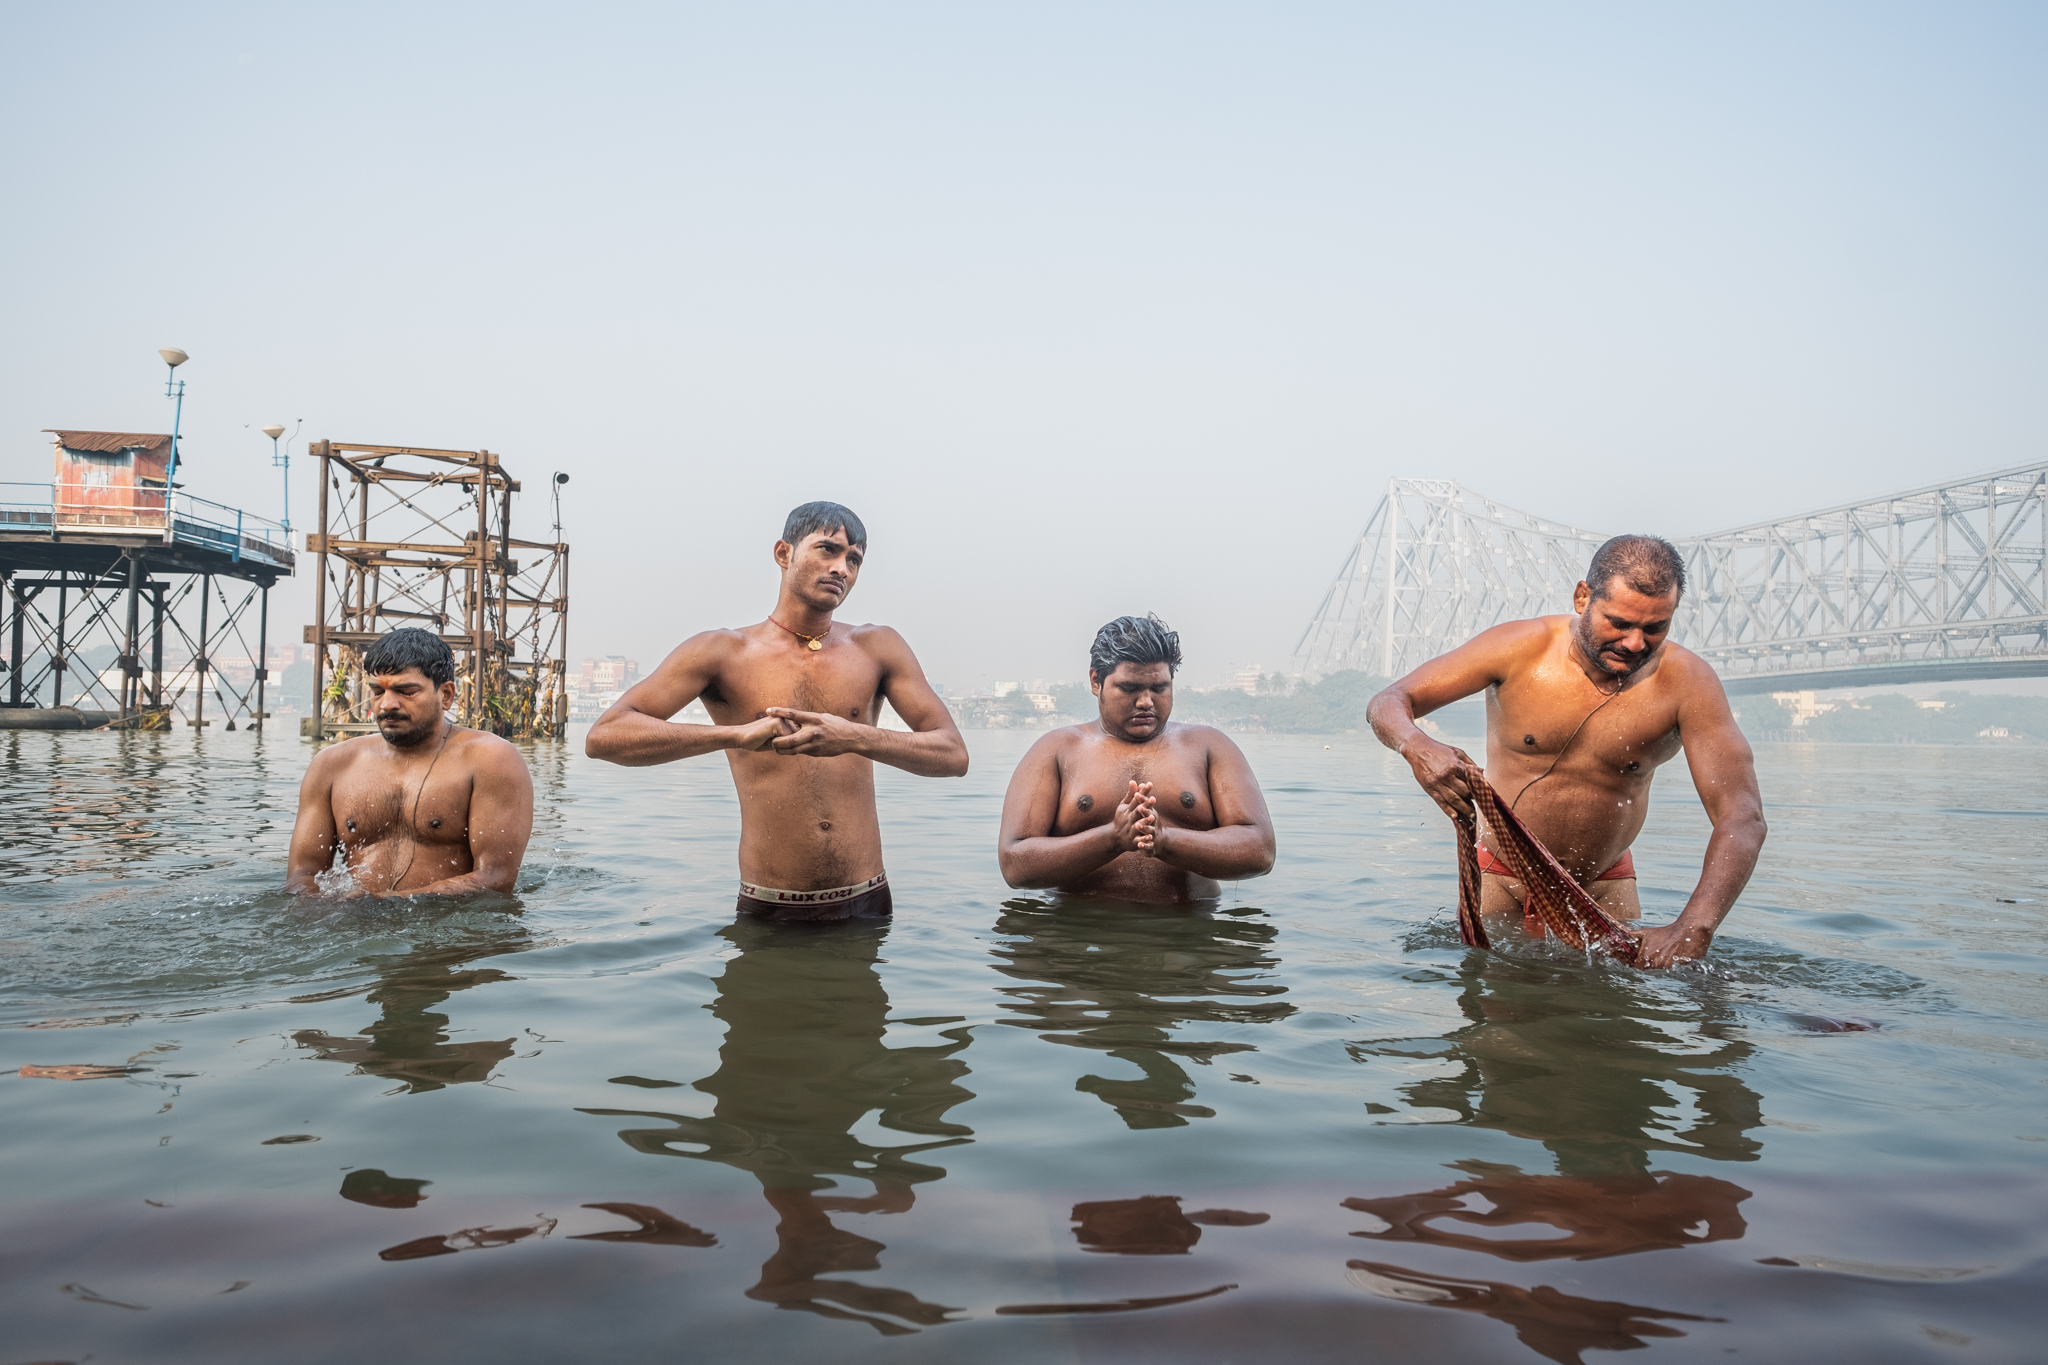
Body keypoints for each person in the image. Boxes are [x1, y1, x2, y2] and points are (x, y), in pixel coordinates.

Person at [1367, 535, 1765, 966]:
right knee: (1499, 1022)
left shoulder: (1688, 683)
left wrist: (1694, 925)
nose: (1635, 643)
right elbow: (1388, 702)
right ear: (1582, 597)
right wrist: (1418, 746)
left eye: (1655, 628)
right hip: (1500, 878)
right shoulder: (1520, 648)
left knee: (1606, 1025)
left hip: (1603, 887)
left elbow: (1742, 816)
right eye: (1619, 622)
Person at [585, 501, 967, 921]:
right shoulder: (723, 651)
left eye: (854, 559)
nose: (842, 568)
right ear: (784, 554)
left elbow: (952, 755)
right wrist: (733, 736)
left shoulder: (877, 646)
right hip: (771, 906)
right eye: (828, 549)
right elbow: (605, 737)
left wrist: (855, 736)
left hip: (868, 902)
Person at [997, 615, 1275, 903]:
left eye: (1159, 688)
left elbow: (1261, 852)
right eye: (1129, 688)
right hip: (1078, 937)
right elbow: (1014, 865)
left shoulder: (1209, 746)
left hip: (1188, 936)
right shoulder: (1055, 750)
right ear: (1096, 681)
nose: (1145, 701)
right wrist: (1111, 838)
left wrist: (1167, 840)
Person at [285, 628, 534, 896]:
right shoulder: (332, 764)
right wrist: (325, 913)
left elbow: (496, 879)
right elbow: (303, 875)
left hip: (447, 933)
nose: (387, 704)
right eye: (377, 691)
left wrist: (388, 903)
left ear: (446, 695)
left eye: (406, 691)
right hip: (353, 926)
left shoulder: (491, 760)